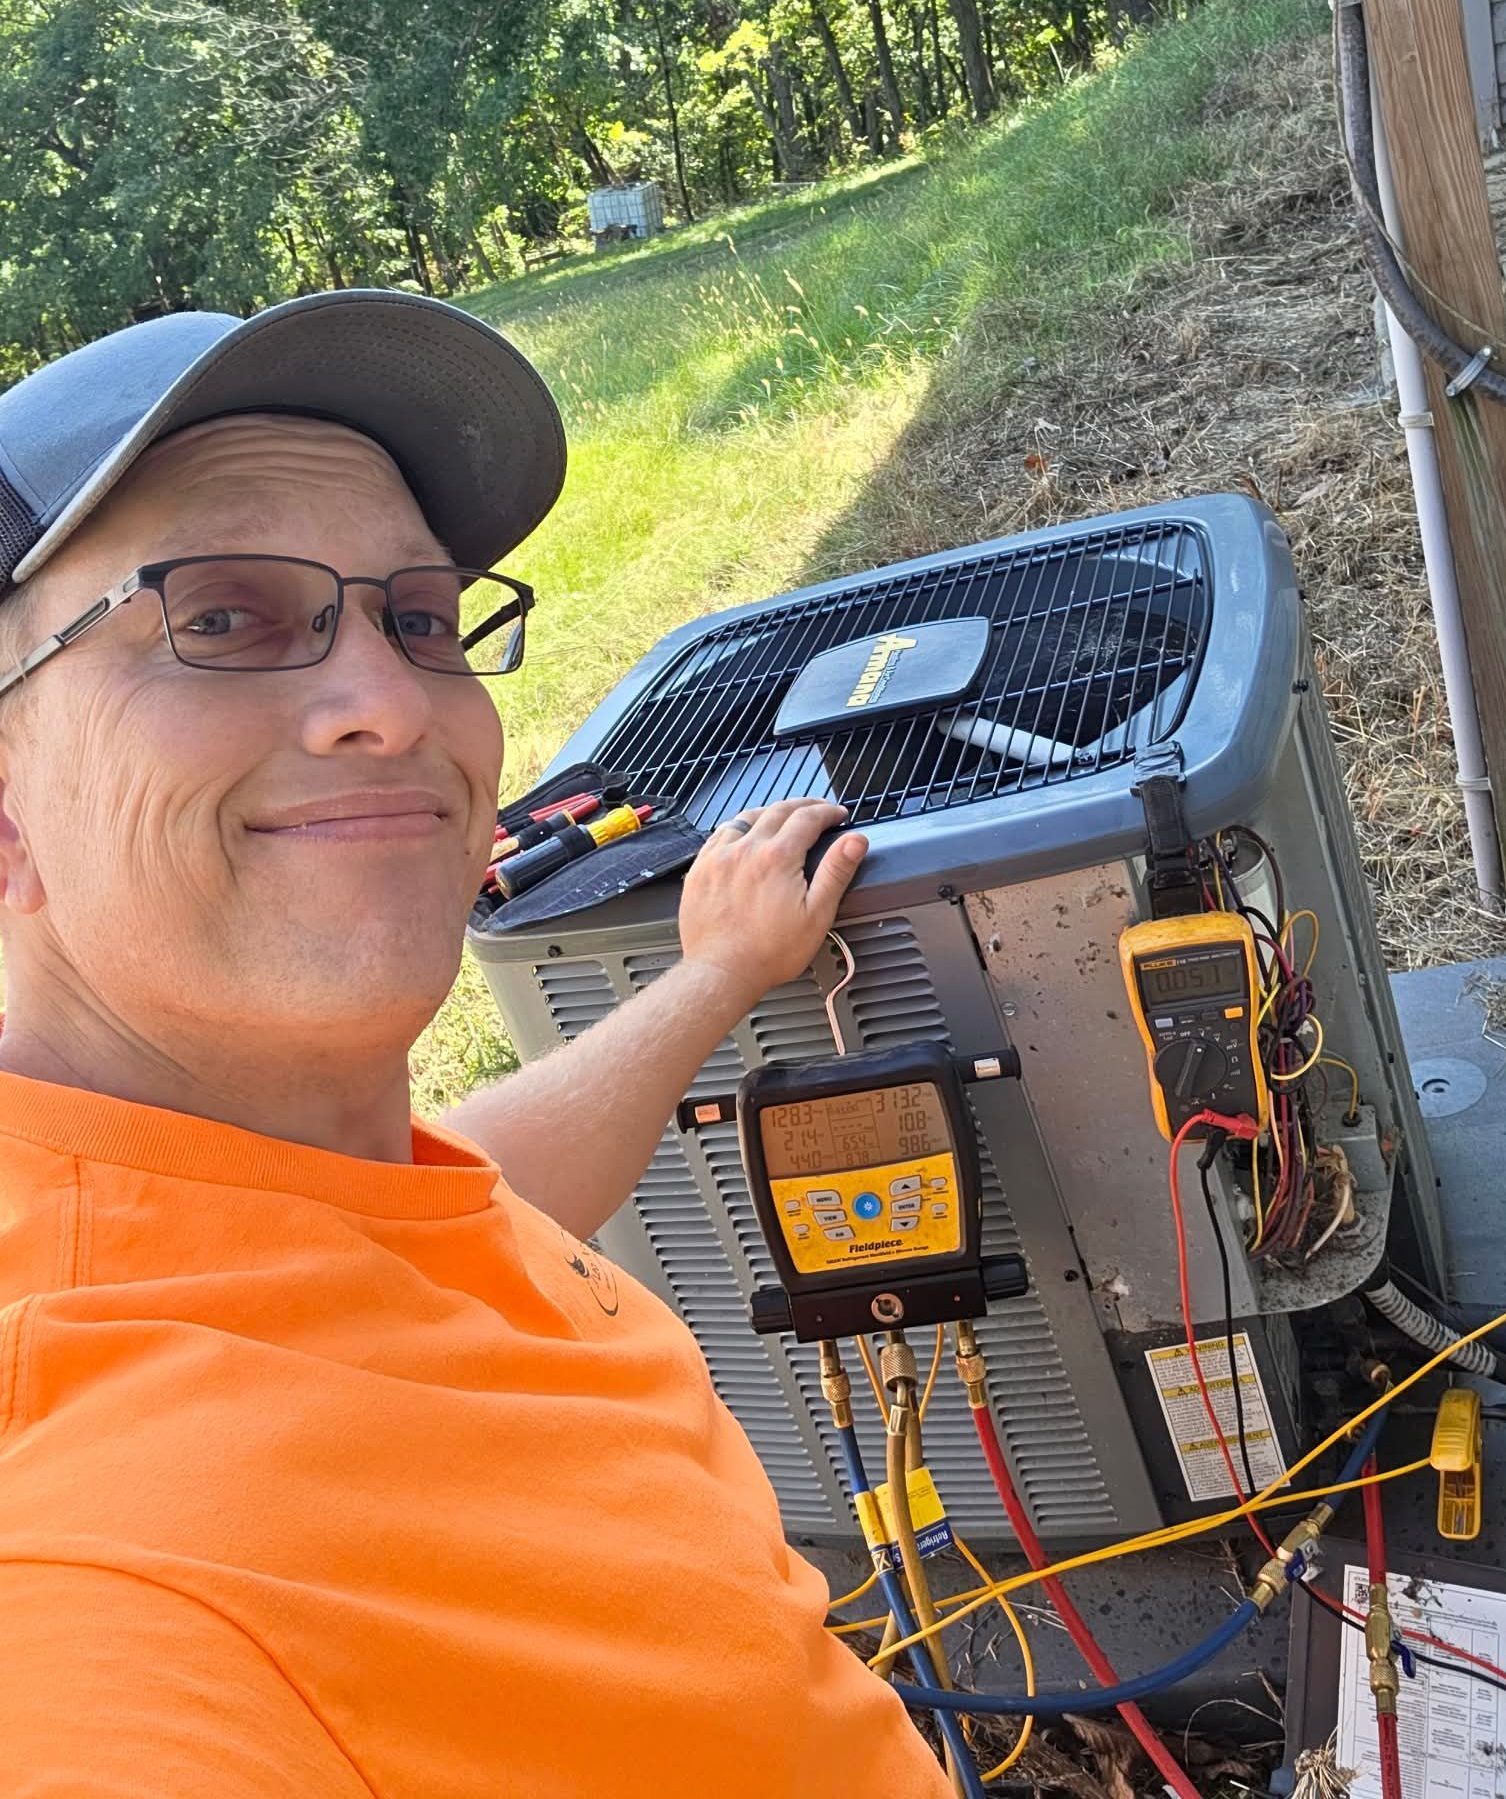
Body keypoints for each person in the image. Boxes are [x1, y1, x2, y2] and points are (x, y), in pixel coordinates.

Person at [0, 291, 949, 1797]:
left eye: (421, 617)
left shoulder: (239, 1171)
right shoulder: (97, 1580)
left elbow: (457, 1205)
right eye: (222, 618)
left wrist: (714, 978)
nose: (391, 702)